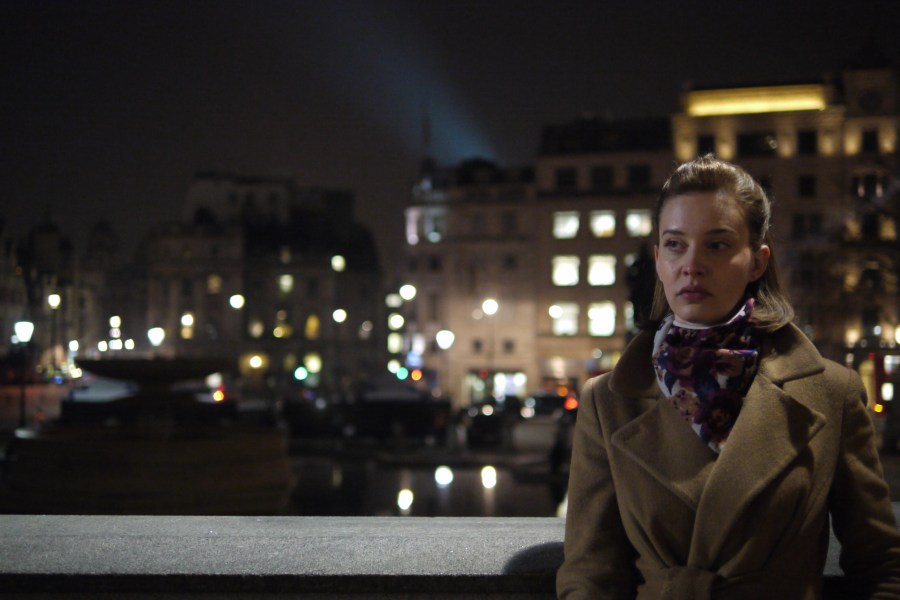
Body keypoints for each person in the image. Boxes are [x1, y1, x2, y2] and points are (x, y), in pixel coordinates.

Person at [557, 155, 900, 599]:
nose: (692, 264)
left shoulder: (832, 393)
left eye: (717, 245)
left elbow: (881, 566)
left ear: (757, 262)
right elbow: (591, 573)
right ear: (658, 261)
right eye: (676, 245)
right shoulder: (609, 400)